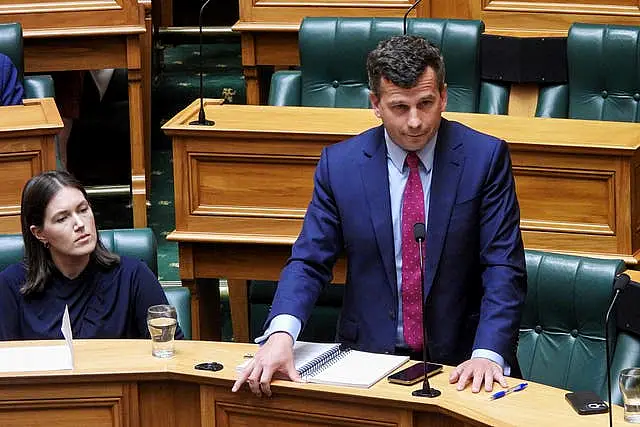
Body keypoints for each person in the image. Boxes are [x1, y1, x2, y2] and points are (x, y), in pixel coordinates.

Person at [233, 35, 527, 397]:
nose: (416, 121)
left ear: (444, 97)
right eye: (400, 107)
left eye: (426, 103)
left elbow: (503, 266)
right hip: (367, 362)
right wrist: (280, 334)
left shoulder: (484, 159)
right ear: (376, 104)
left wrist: (488, 353)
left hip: (461, 365)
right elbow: (310, 261)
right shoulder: (340, 166)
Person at [0, 171, 183, 340]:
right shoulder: (11, 286)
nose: (80, 224)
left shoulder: (133, 276)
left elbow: (173, 349)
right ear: (39, 233)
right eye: (62, 218)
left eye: (83, 210)